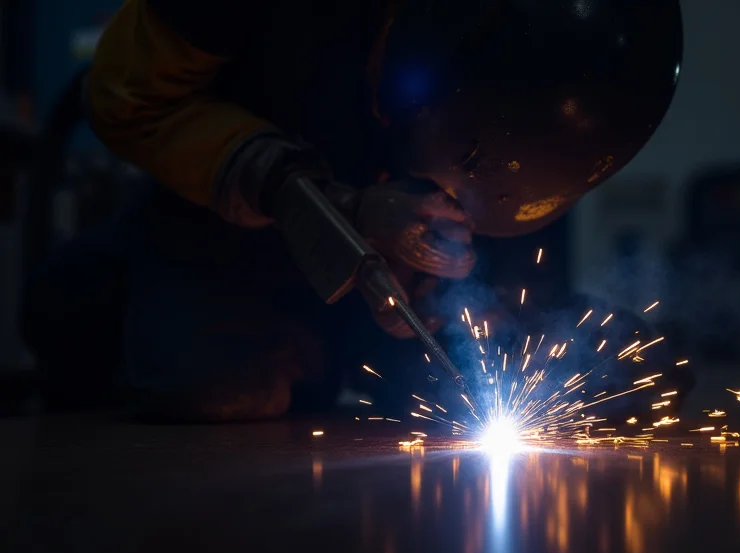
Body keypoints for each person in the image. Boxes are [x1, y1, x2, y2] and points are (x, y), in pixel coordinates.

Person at [23, 0, 683, 420]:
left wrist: (448, 290)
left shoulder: (552, 76)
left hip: (368, 264)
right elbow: (122, 98)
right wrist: (331, 204)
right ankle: (96, 299)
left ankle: (347, 352)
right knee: (220, 386)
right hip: (221, 229)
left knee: (602, 370)